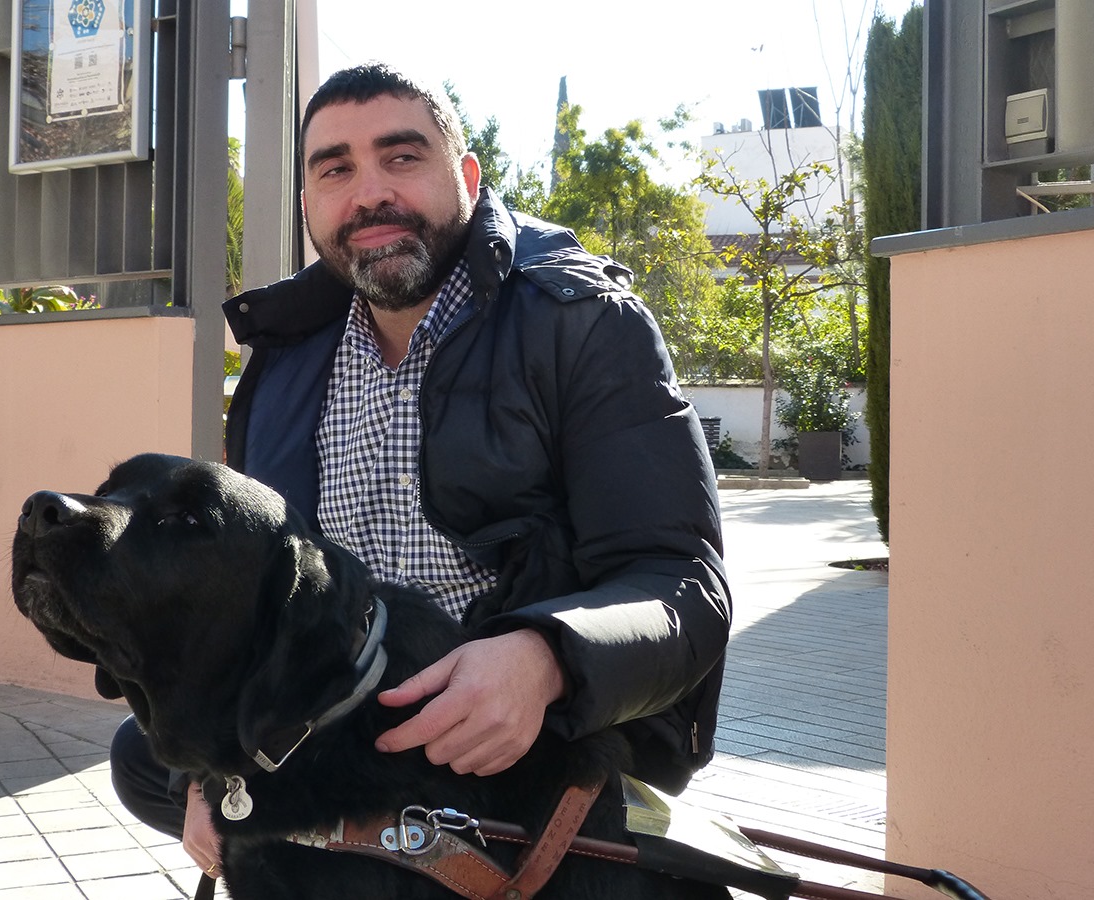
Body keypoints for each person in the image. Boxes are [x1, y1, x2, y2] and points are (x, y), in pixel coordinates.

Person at [109, 62, 730, 881]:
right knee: (145, 758)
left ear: (466, 177)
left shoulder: (582, 324)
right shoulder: (288, 362)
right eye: (335, 169)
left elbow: (681, 586)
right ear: (308, 207)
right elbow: (246, 605)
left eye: (402, 158)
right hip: (343, 730)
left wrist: (546, 658)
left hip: (525, 738)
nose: (369, 193)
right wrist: (213, 769)